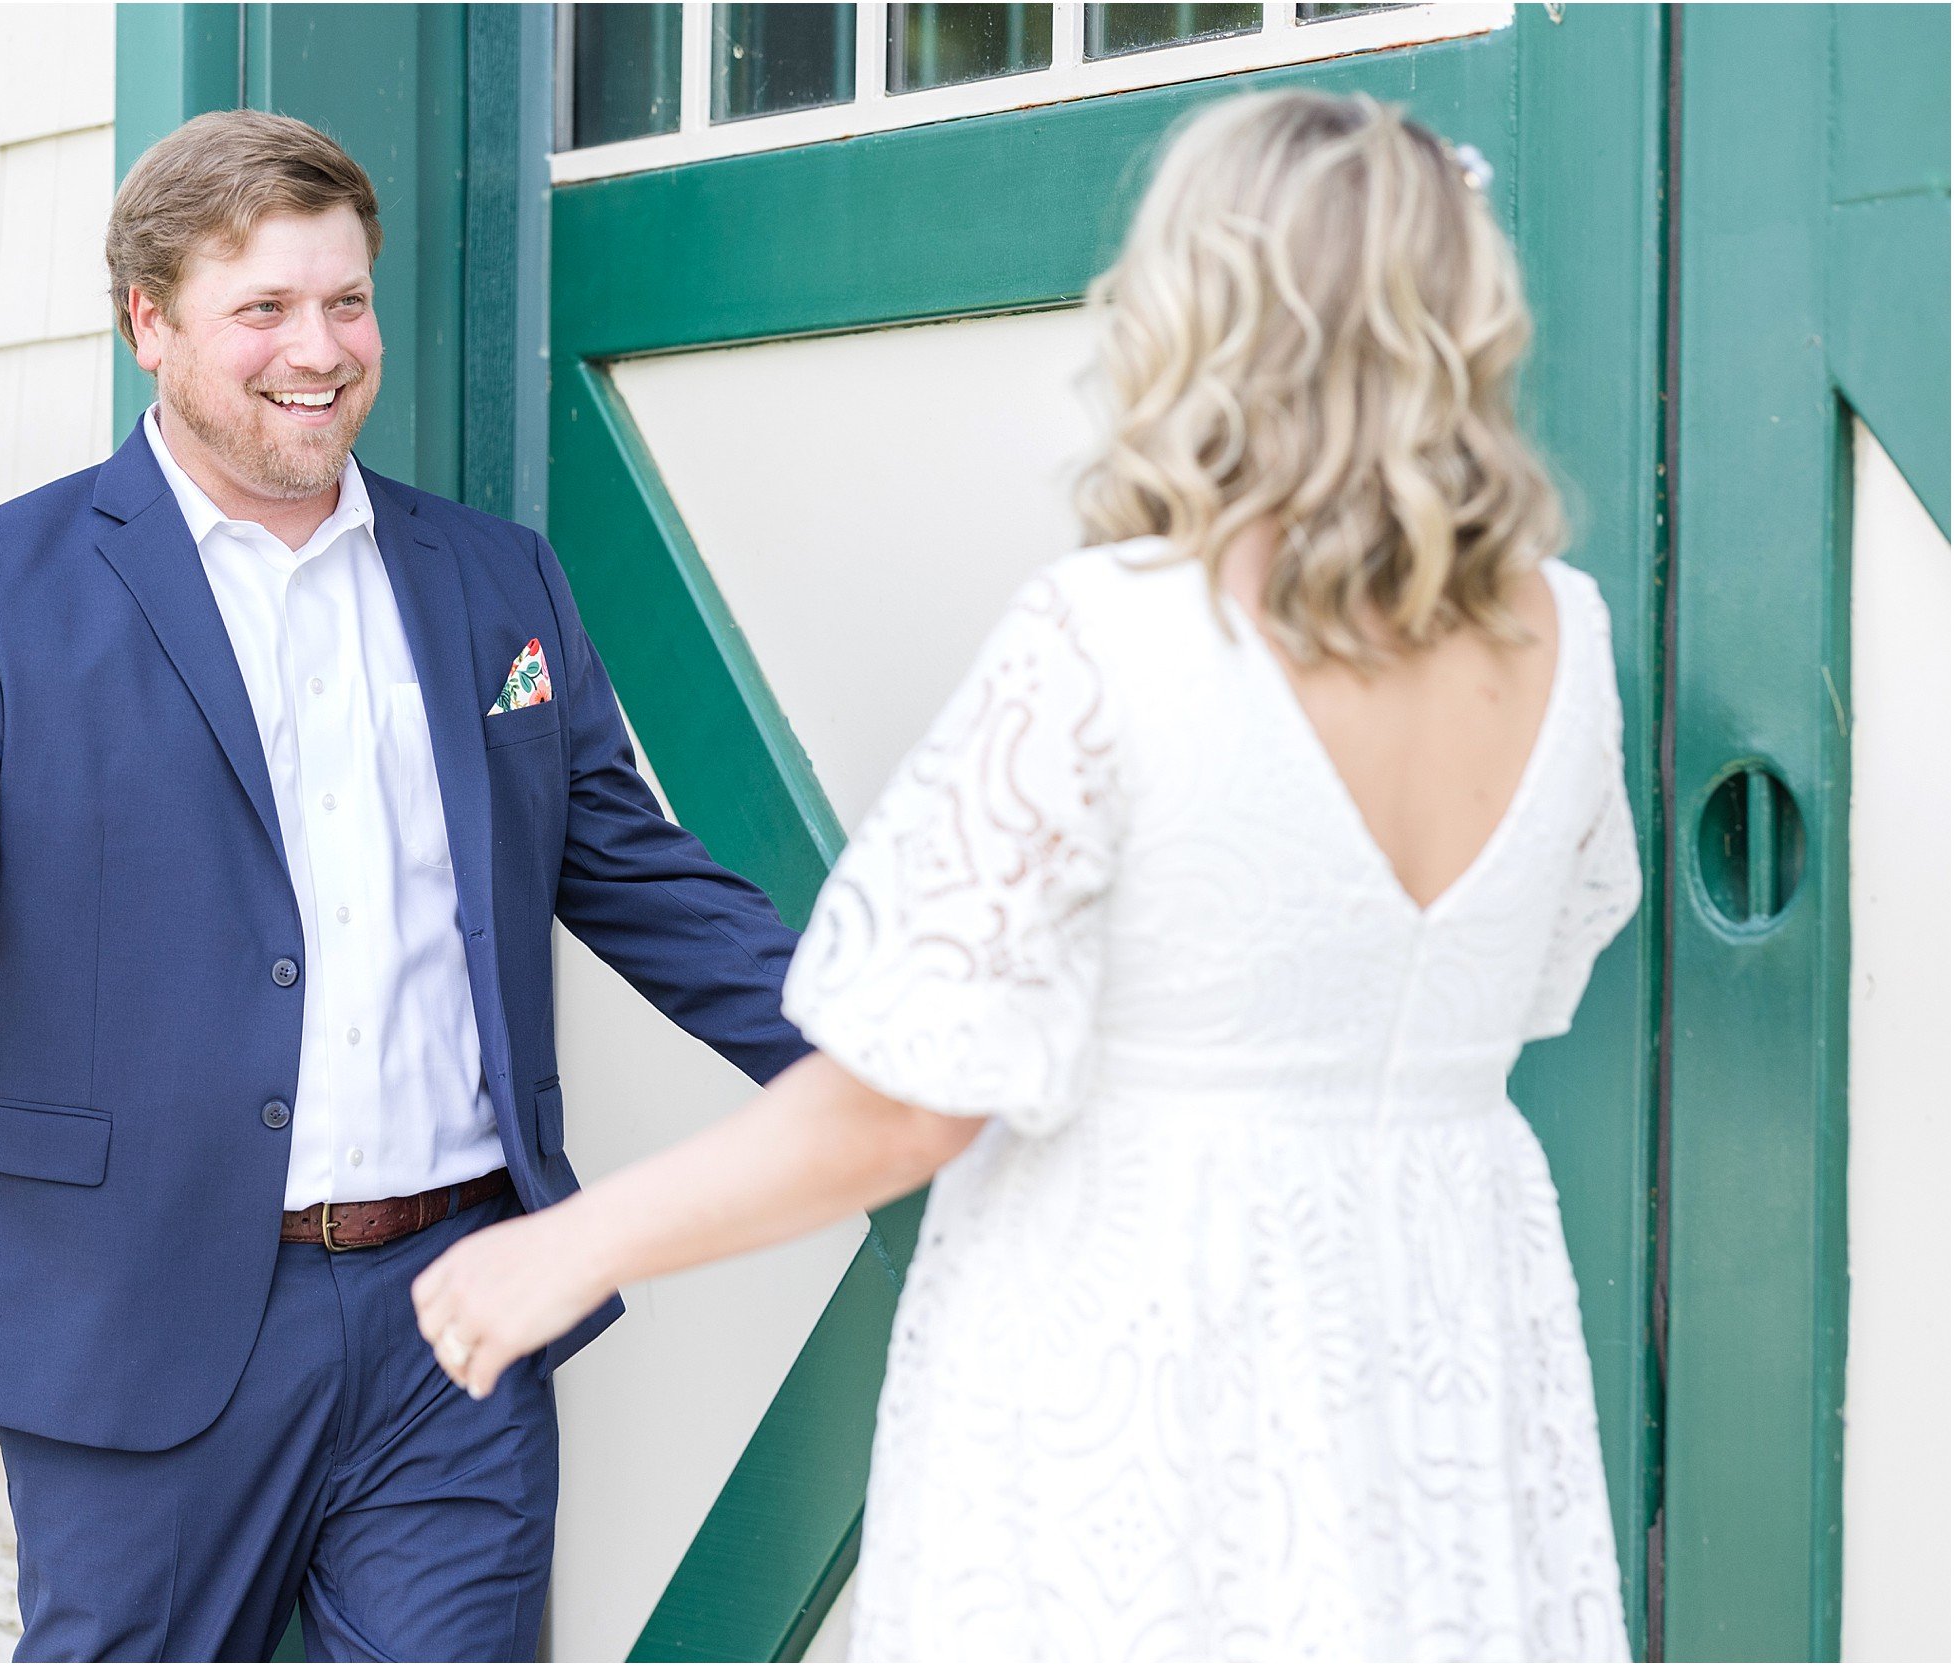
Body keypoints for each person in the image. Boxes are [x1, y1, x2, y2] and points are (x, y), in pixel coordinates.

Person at [411, 87, 1640, 1662]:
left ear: (1205, 308)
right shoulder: (1568, 642)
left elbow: (910, 1100)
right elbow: (1534, 977)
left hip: (1145, 1337)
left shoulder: (1115, 636)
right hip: (1437, 1330)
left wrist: (572, 1241)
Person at [0, 109, 807, 1662]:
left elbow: (637, 877)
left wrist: (882, 1059)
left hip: (457, 1307)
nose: (321, 348)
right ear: (149, 327)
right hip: (142, 1307)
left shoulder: (494, 579)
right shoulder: (0, 585)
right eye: (264, 310)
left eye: (346, 301)